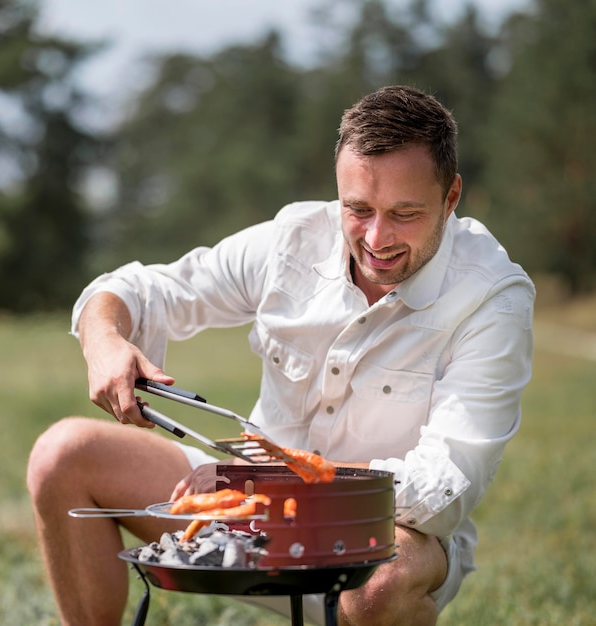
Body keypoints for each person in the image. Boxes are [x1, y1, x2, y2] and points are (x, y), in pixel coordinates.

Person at [27, 85, 535, 626]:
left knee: (383, 582)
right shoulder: (294, 238)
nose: (376, 238)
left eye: (404, 213)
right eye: (357, 209)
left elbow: (443, 488)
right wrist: (104, 339)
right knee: (64, 454)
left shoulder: (492, 297)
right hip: (242, 513)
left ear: (451, 197)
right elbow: (145, 289)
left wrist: (262, 483)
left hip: (375, 538)